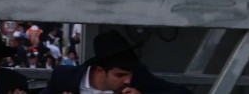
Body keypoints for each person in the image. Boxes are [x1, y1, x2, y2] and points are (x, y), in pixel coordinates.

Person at [43, 31, 190, 94]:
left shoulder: (139, 77)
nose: (128, 80)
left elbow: (183, 93)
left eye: (129, 74)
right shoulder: (64, 77)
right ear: (100, 71)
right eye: (119, 75)